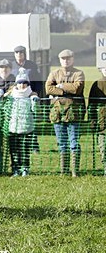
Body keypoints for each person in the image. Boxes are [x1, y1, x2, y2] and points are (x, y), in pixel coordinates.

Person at [45, 49, 85, 177]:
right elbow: (48, 88)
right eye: (63, 59)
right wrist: (66, 89)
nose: (66, 60)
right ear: (60, 60)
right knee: (61, 143)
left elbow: (77, 88)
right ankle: (64, 170)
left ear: (73, 59)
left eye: (68, 58)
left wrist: (60, 86)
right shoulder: (54, 73)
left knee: (74, 142)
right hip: (57, 113)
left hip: (73, 113)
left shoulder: (79, 73)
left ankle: (75, 171)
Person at [0, 68, 38, 177]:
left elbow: (35, 110)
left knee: (25, 149)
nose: (22, 86)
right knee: (14, 150)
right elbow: (1, 106)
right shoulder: (11, 96)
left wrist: (35, 102)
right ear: (16, 84)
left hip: (26, 128)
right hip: (13, 128)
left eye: (24, 83)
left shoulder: (31, 95)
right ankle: (15, 168)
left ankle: (25, 168)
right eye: (20, 83)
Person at [87, 67, 106, 176]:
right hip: (101, 122)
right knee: (103, 146)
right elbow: (91, 105)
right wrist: (92, 121)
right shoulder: (96, 85)